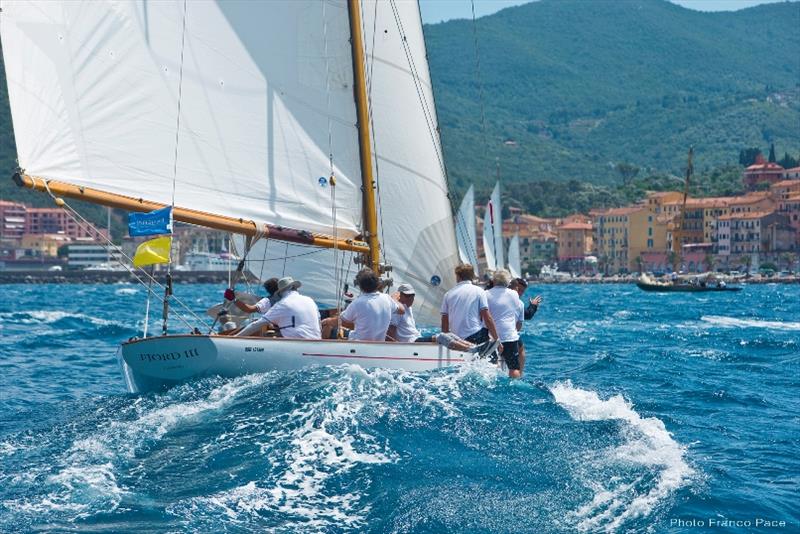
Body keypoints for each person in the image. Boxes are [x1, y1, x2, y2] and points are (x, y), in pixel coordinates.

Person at [321, 268, 403, 341]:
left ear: (360, 286)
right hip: (378, 343)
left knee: (328, 327)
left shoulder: (358, 303)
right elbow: (402, 310)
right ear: (377, 283)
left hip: (358, 343)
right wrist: (394, 299)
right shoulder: (387, 299)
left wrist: (327, 321)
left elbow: (340, 321)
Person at [440, 263, 499, 346]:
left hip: (457, 339)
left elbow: (444, 322)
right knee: (490, 348)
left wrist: (447, 341)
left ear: (458, 276)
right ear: (472, 276)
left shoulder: (448, 294)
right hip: (475, 336)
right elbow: (487, 318)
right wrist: (497, 340)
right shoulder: (479, 291)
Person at [486, 269, 524, 378]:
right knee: (514, 368)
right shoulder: (514, 294)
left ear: (493, 280)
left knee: (492, 366)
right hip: (509, 336)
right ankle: (516, 387)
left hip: (491, 337)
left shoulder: (485, 294)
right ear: (508, 281)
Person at [508, 277, 543, 373]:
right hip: (507, 336)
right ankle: (519, 374)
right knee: (521, 349)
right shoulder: (518, 303)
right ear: (513, 287)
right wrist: (533, 305)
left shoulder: (492, 296)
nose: (520, 293)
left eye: (522, 291)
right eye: (518, 290)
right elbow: (527, 315)